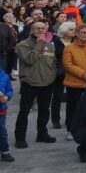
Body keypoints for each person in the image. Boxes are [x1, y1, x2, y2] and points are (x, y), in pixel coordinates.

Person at [14, 20, 59, 148]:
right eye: (37, 28)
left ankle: (42, 134)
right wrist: (39, 45)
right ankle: (20, 138)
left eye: (42, 28)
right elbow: (29, 60)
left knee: (44, 110)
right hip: (30, 83)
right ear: (31, 30)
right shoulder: (23, 44)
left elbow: (53, 63)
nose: (40, 30)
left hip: (47, 83)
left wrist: (52, 76)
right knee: (24, 111)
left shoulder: (50, 45)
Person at [0, 66, 12, 161]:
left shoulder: (5, 76)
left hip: (1, 110)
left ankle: (5, 152)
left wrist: (7, 97)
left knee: (2, 132)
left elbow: (10, 90)